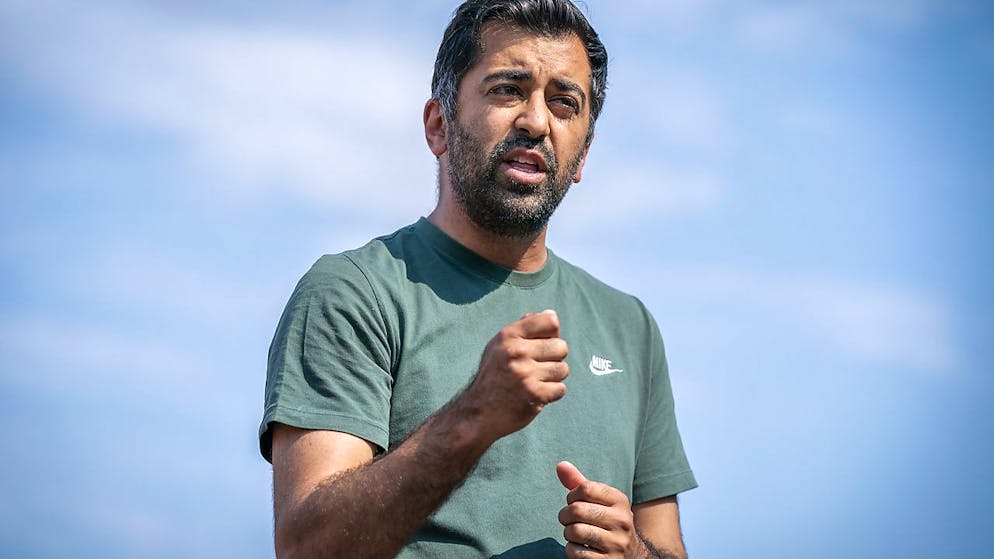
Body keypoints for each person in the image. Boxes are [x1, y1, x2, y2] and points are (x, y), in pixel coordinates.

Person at [258, 1, 697, 557]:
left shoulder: (629, 326)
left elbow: (667, 547)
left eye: (564, 103)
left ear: (582, 154)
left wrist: (632, 551)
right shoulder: (354, 291)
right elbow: (305, 548)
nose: (537, 121)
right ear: (438, 126)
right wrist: (472, 417)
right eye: (508, 89)